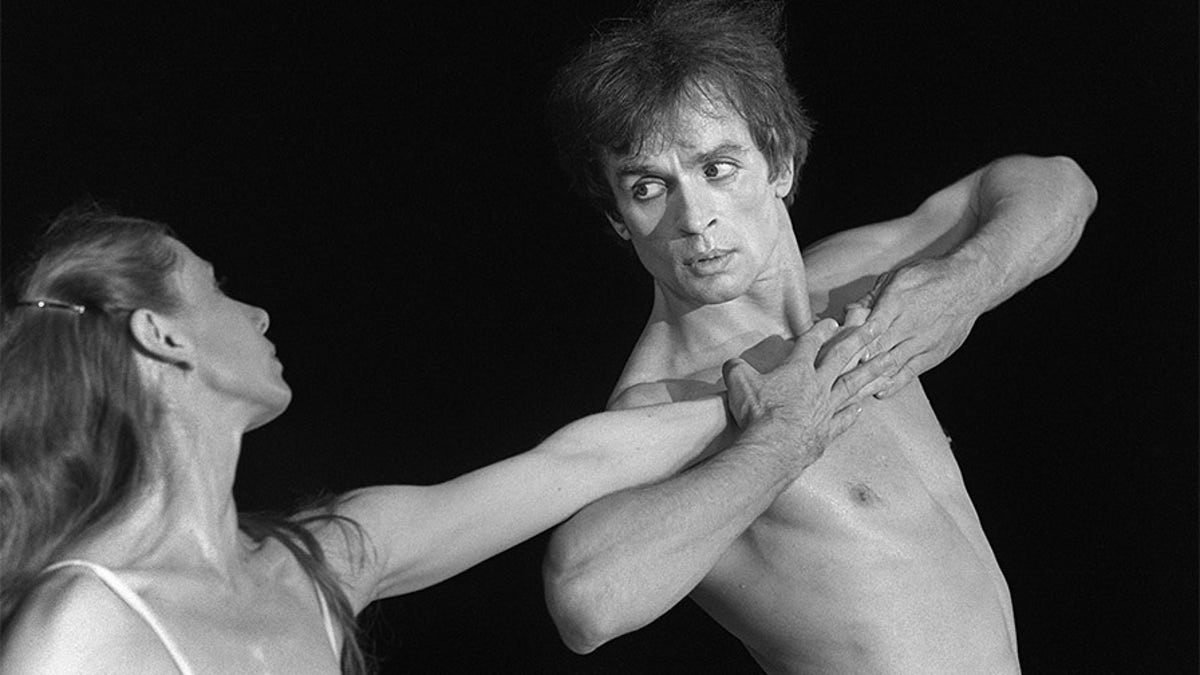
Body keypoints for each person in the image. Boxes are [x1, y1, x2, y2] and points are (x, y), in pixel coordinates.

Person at [0, 205, 878, 673]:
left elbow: (579, 462)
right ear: (164, 336)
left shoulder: (322, 565)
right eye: (216, 286)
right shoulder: (87, 622)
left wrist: (815, 386)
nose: (257, 310)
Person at [541, 1, 1097, 672]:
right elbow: (585, 601)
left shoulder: (850, 287)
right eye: (649, 186)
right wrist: (780, 444)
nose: (694, 217)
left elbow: (1060, 183)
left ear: (779, 163)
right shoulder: (667, 400)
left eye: (716, 168)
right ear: (618, 218)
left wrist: (967, 284)